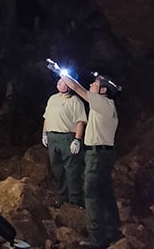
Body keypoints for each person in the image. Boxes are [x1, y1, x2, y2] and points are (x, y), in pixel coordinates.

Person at [60, 71, 122, 249]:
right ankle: (113, 230)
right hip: (107, 153)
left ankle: (96, 239)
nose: (91, 85)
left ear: (103, 90)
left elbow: (76, 87)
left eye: (95, 84)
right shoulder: (109, 106)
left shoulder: (102, 102)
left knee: (92, 194)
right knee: (106, 191)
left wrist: (59, 71)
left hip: (97, 155)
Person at [42, 77, 87, 207]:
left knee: (72, 169)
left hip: (67, 137)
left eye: (63, 82)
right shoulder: (52, 99)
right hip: (52, 136)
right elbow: (46, 117)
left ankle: (75, 200)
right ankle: (62, 198)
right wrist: (44, 133)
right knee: (57, 168)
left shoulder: (75, 101)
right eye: (59, 81)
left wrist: (77, 140)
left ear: (69, 86)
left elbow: (80, 122)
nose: (59, 83)